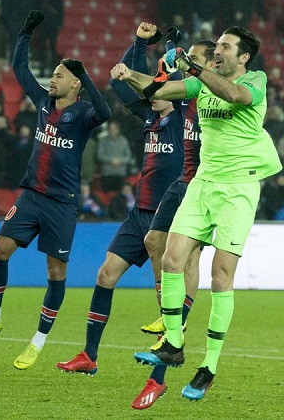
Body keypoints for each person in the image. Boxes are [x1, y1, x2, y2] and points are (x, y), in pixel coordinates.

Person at [119, 26, 280, 400]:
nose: (218, 50)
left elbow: (235, 96)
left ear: (243, 57)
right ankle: (173, 344)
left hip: (238, 188)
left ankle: (209, 367)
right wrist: (129, 75)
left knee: (220, 277)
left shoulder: (254, 80)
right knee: (171, 259)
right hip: (203, 184)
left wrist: (193, 68)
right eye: (217, 45)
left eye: (226, 46)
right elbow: (156, 91)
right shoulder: (201, 83)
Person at [0, 10, 111, 373]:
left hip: (62, 203)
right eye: (54, 74)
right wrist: (26, 32)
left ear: (75, 85)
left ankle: (38, 341)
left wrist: (86, 75)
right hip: (31, 195)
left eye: (60, 76)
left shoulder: (83, 113)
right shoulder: (44, 102)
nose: (53, 79)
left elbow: (106, 111)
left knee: (55, 272)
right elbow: (20, 69)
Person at [55, 23, 188, 383]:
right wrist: (139, 44)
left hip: (167, 215)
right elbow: (120, 84)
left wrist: (171, 51)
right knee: (105, 274)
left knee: (165, 293)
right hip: (139, 211)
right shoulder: (149, 116)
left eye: (159, 89)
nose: (152, 94)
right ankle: (89, 355)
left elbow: (180, 82)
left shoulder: (184, 119)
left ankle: (166, 358)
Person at [132, 31, 217, 410]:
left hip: (205, 186)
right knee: (154, 242)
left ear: (211, 63)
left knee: (191, 259)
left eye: (196, 58)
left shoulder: (216, 95)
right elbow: (161, 83)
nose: (189, 63)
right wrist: (167, 50)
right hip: (181, 181)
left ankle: (176, 326)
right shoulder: (188, 92)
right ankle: (171, 315)